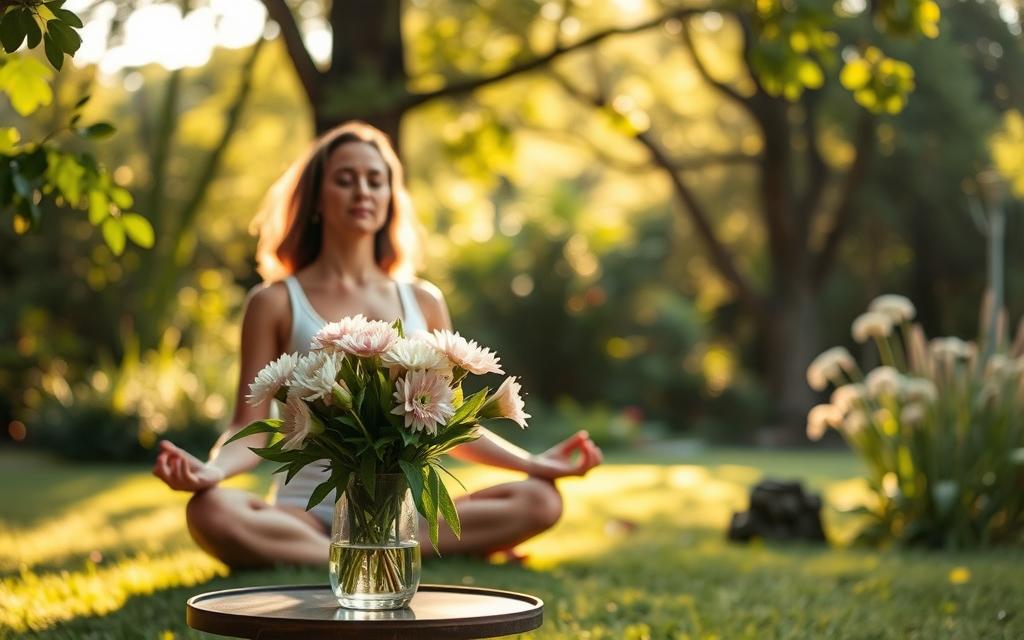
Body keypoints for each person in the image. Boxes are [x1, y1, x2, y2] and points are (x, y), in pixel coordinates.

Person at [152, 121, 603, 568]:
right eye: (344, 180)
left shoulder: (424, 299)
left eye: (375, 180)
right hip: (303, 516)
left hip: (403, 513)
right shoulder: (272, 301)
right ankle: (375, 555)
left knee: (541, 500)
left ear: (390, 197)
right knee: (209, 510)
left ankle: (383, 549)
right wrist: (210, 471)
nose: (362, 192)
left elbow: (450, 423)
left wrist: (536, 464)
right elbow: (245, 426)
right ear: (315, 200)